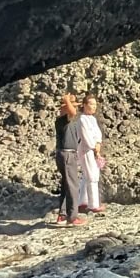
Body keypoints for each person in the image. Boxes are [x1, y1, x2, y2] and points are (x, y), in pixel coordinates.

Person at [54, 94, 86, 225]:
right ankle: (72, 217)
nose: (75, 110)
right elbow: (72, 111)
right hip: (67, 155)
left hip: (65, 154)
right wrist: (67, 100)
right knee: (73, 185)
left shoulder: (68, 121)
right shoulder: (63, 119)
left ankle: (62, 215)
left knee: (66, 185)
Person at [76, 93, 106, 213]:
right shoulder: (82, 119)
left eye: (95, 105)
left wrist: (98, 144)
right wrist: (94, 148)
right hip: (86, 150)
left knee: (86, 176)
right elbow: (86, 137)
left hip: (93, 149)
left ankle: (82, 201)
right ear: (84, 105)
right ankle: (94, 204)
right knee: (92, 176)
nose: (94, 107)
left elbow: (98, 134)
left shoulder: (92, 119)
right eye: (91, 104)